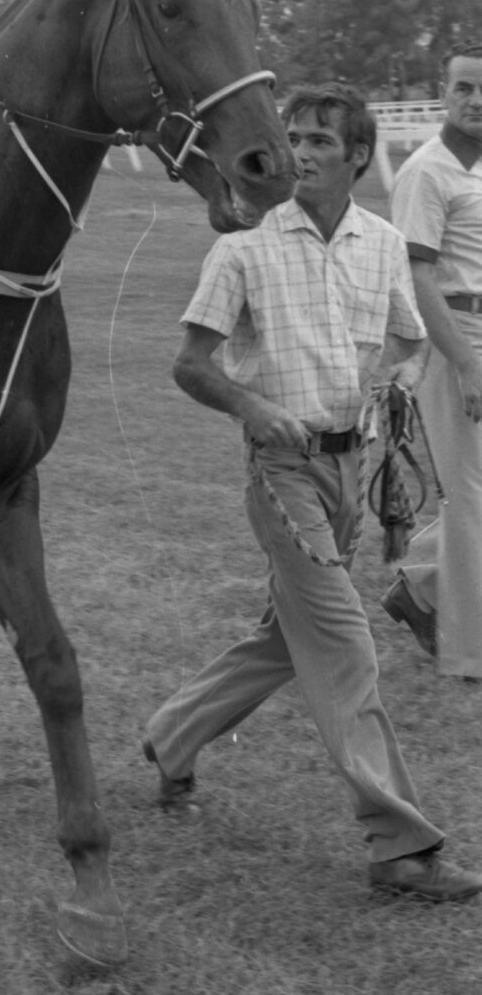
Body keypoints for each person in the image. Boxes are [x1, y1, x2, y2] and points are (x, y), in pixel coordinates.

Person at [141, 83, 482, 901]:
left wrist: (380, 388)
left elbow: (406, 330)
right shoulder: (244, 250)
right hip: (280, 474)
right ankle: (400, 844)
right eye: (293, 136)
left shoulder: (381, 244)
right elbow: (190, 365)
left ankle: (171, 739)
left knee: (283, 637)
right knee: (342, 641)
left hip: (351, 471)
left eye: (320, 140)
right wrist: (255, 407)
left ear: (358, 156)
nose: (299, 151)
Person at [385, 44, 482, 679]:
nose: (475, 101)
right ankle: (470, 653)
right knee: (472, 494)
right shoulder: (427, 171)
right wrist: (467, 362)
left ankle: (420, 588)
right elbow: (415, 275)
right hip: (457, 337)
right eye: (464, 89)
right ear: (443, 92)